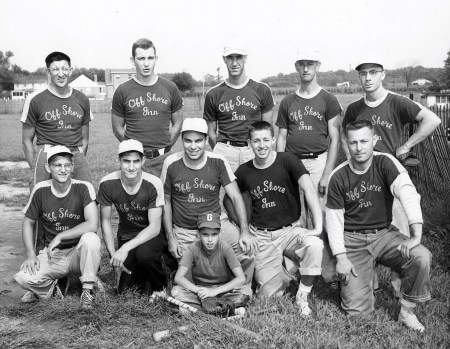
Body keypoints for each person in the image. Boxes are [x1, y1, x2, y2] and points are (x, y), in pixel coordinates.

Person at [342, 57, 440, 292]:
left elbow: (432, 120)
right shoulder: (355, 108)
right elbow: (346, 135)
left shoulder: (396, 102)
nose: (368, 78)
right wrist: (350, 160)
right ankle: (370, 280)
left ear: (383, 75)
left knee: (398, 231)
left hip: (390, 174)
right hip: (363, 177)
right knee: (368, 230)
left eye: (373, 73)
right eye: (363, 74)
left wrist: (407, 146)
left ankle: (400, 285)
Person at [326, 120, 431, 332]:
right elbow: (334, 222)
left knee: (420, 256)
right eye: (353, 142)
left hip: (384, 235)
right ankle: (356, 283)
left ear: (374, 140)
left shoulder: (385, 163)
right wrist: (341, 257)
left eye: (364, 141)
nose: (359, 147)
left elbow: (408, 194)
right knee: (356, 314)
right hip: (352, 241)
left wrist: (415, 236)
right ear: (346, 142)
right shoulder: (338, 176)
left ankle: (407, 311)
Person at [227, 121, 323, 316]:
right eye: (256, 141)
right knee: (267, 297)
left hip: (290, 231)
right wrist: (243, 229)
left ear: (273, 140)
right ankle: (287, 271)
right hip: (262, 236)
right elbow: (230, 199)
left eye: (265, 140)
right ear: (249, 143)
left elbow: (309, 189)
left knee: (315, 245)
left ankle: (302, 295)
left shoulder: (287, 160)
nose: (261, 145)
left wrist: (317, 226)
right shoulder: (244, 171)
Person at [161, 117, 256, 299]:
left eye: (198, 141)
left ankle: (241, 289)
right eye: (188, 141)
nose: (193, 146)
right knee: (191, 272)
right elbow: (165, 201)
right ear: (182, 141)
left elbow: (236, 196)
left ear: (206, 140)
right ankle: (203, 293)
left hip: (217, 224)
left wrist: (244, 230)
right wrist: (171, 237)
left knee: (245, 249)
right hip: (185, 229)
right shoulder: (171, 163)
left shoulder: (217, 161)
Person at [21, 51, 94, 252]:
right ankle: (37, 255)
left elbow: (85, 137)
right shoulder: (36, 99)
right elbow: (27, 140)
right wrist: (37, 166)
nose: (60, 73)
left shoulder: (81, 99)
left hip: (74, 153)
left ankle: (83, 256)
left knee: (86, 201)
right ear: (48, 72)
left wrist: (77, 159)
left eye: (64, 68)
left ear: (70, 70)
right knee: (41, 205)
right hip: (47, 152)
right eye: (55, 69)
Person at [14, 146, 101, 309]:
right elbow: (28, 222)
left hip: (78, 251)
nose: (63, 170)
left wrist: (61, 236)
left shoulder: (83, 187)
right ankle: (54, 288)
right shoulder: (41, 189)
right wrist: (30, 254)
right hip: (53, 254)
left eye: (67, 165)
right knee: (22, 278)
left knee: (91, 238)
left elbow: (92, 224)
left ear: (72, 167)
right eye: (57, 165)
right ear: (48, 167)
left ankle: (88, 290)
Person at [276, 49, 341, 221]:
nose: (306, 69)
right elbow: (281, 137)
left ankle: (323, 247)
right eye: (302, 64)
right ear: (296, 66)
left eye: (310, 64)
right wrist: (281, 166)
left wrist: (327, 174)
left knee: (320, 213)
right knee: (294, 214)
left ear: (317, 66)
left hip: (318, 161)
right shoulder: (288, 101)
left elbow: (335, 140)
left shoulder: (329, 99)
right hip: (292, 161)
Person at [97, 139, 168, 294]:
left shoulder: (153, 183)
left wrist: (125, 248)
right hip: (127, 234)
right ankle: (140, 272)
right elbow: (106, 222)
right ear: (118, 160)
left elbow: (155, 227)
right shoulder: (107, 183)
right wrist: (114, 257)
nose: (131, 167)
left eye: (136, 161)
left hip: (151, 234)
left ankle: (160, 287)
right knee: (126, 291)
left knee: (145, 256)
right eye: (126, 161)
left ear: (143, 160)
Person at [111, 38, 184, 177]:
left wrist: (166, 146)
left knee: (165, 198)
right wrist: (133, 150)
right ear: (133, 61)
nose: (146, 64)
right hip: (136, 161)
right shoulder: (122, 90)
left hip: (164, 159)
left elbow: (178, 124)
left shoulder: (170, 88)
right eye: (141, 58)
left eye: (150, 58)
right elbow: (117, 128)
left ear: (156, 59)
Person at [203, 39, 275, 171]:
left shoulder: (261, 89)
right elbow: (211, 132)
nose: (234, 63)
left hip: (253, 150)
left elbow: (268, 129)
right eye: (230, 58)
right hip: (225, 150)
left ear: (245, 58)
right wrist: (221, 150)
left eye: (239, 57)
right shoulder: (213, 93)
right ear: (224, 59)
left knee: (255, 191)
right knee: (225, 192)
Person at [171, 211, 248, 310]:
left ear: (220, 234)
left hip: (222, 290)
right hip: (200, 291)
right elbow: (178, 278)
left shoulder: (225, 248)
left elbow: (241, 278)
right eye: (205, 235)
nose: (210, 240)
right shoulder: (193, 248)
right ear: (198, 235)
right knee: (176, 291)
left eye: (214, 234)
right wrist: (198, 290)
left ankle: (200, 307)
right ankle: (223, 307)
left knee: (246, 291)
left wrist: (214, 292)